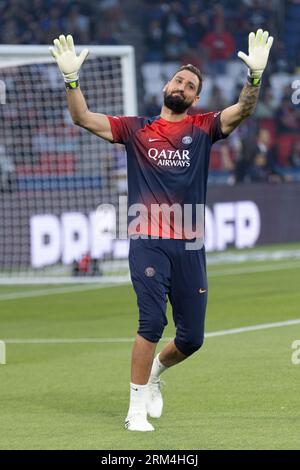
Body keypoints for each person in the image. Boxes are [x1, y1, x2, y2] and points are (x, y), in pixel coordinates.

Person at [50, 29, 273, 432]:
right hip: (148, 240)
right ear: (166, 86)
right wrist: (71, 81)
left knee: (192, 339)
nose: (183, 86)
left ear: (195, 99)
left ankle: (154, 373)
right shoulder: (136, 129)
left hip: (190, 243)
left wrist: (254, 78)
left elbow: (243, 109)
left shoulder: (204, 127)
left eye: (191, 86)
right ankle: (135, 409)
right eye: (179, 80)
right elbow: (82, 118)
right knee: (151, 323)